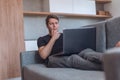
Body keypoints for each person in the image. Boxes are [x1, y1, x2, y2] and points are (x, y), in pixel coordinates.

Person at [37, 14, 103, 70]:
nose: (54, 26)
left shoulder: (64, 35)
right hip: (53, 59)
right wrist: (53, 39)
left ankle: (110, 59)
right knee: (74, 58)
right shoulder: (41, 39)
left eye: (56, 23)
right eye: (51, 24)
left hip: (67, 54)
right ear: (47, 25)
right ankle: (104, 67)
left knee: (87, 52)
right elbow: (43, 55)